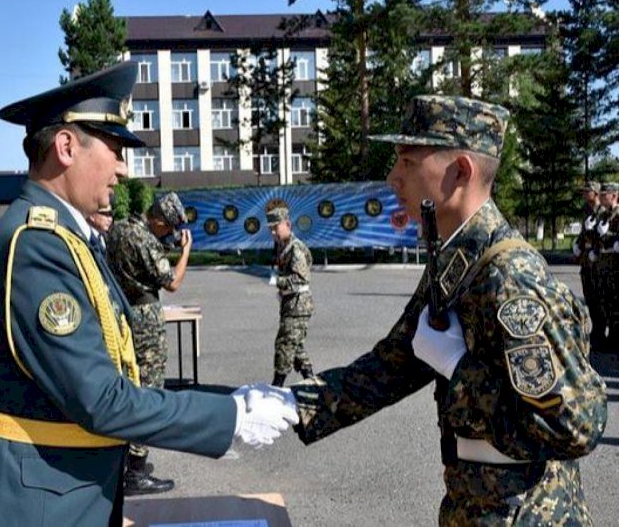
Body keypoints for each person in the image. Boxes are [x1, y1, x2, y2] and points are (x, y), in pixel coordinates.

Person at [0, 61, 298, 527]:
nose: (123, 169)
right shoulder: (36, 245)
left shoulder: (65, 236)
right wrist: (228, 419)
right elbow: (100, 398)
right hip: (32, 503)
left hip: (61, 490)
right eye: (114, 148)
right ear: (66, 146)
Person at [251, 95, 607, 524]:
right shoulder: (458, 258)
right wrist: (287, 405)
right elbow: (391, 365)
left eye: (408, 161)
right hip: (474, 507)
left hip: (529, 515)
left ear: (460, 171)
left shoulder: (510, 276)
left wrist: (458, 367)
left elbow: (576, 425)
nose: (392, 177)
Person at [105, 191, 191, 495]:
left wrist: (163, 243)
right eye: (167, 227)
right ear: (157, 219)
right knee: (150, 388)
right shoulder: (145, 240)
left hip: (120, 312)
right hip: (145, 316)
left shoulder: (118, 229)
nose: (169, 233)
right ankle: (136, 471)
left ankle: (121, 463)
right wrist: (184, 253)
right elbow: (173, 282)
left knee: (127, 384)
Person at [265, 199, 315, 387]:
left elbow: (301, 279)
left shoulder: (295, 248)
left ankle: (276, 388)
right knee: (296, 347)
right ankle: (313, 384)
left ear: (288, 224)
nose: (272, 232)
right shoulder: (281, 246)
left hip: (298, 305)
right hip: (290, 304)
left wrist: (277, 281)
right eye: (270, 228)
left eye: (275, 227)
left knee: (285, 345)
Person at [573, 181, 605, 350]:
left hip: (597, 260)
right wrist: (577, 244)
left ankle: (601, 332)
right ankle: (596, 330)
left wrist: (596, 250)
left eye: (587, 192)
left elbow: (602, 236)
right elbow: (584, 232)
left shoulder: (603, 212)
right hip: (586, 260)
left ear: (595, 193)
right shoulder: (587, 210)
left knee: (600, 297)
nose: (585, 195)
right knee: (589, 296)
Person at [593, 182, 619, 349]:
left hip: (615, 265)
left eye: (605, 195)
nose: (601, 198)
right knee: (605, 302)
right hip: (603, 264)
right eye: (601, 195)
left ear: (615, 196)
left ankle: (616, 338)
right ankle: (608, 337)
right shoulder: (603, 215)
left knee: (616, 303)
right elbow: (596, 237)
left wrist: (607, 235)